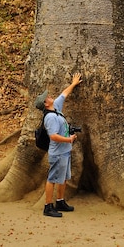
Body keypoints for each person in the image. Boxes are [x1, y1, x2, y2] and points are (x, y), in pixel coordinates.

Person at [35, 72, 82, 218]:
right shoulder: (50, 118)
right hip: (58, 153)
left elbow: (64, 94)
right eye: (47, 97)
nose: (49, 96)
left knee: (63, 177)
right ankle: (48, 206)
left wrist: (74, 84)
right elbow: (53, 136)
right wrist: (69, 139)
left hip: (65, 152)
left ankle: (60, 201)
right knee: (53, 179)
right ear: (45, 104)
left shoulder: (56, 108)